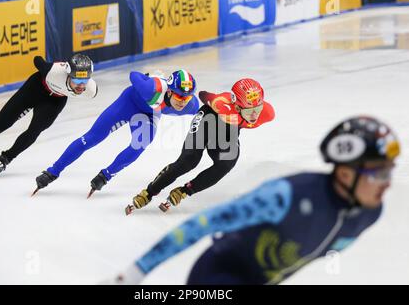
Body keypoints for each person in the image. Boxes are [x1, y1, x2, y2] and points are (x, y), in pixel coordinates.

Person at [113, 116, 400, 285]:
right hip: (217, 276)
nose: (387, 185)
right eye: (379, 173)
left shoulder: (368, 213)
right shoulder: (287, 195)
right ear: (347, 173)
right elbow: (201, 224)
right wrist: (134, 274)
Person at [33, 70, 200, 197]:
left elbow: (204, 112)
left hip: (147, 115)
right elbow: (133, 75)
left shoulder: (191, 105)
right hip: (128, 102)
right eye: (179, 97)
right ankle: (52, 171)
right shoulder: (151, 88)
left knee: (140, 145)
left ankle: (105, 176)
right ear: (169, 92)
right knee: (91, 138)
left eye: (186, 98)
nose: (182, 103)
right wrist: (147, 76)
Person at [126, 78, 275, 214]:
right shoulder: (221, 103)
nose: (255, 115)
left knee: (227, 162)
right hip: (208, 119)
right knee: (189, 160)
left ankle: (185, 190)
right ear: (236, 106)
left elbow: (254, 113)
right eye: (249, 110)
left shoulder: (267, 113)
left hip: (227, 131)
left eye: (258, 109)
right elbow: (204, 95)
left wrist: (251, 112)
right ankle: (150, 191)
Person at [0, 54, 97, 177]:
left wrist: (7, 157)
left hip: (55, 100)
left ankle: (7, 157)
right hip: (35, 88)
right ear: (68, 74)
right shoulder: (53, 71)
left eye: (84, 81)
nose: (81, 86)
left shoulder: (90, 89)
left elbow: (87, 86)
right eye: (77, 81)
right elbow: (37, 60)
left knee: (34, 131)